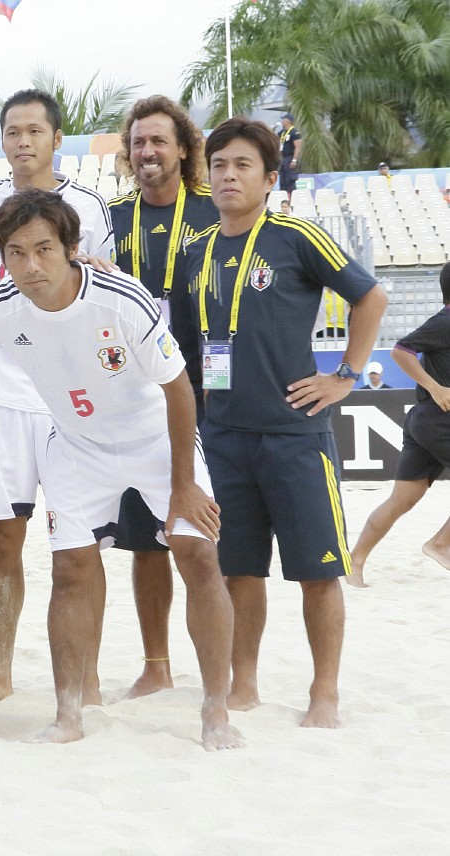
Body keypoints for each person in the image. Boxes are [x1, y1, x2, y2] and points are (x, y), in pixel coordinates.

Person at [0, 190, 240, 750]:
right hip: (78, 447)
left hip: (155, 440)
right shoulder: (3, 304)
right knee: (72, 572)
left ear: (72, 249)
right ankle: (68, 714)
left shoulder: (120, 298)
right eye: (15, 253)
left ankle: (216, 711)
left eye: (43, 249)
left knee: (198, 556)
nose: (30, 266)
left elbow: (178, 389)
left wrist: (183, 484)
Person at [170, 117, 387, 728]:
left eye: (242, 165)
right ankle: (244, 683)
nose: (228, 175)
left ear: (269, 178)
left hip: (295, 433)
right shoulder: (197, 252)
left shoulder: (295, 237)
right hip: (224, 437)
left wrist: (345, 375)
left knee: (317, 573)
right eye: (218, 165)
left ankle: (325, 693)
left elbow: (371, 297)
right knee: (240, 569)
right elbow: (186, 356)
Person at [0, 88, 115, 705]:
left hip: (71, 397)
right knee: (2, 539)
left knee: (80, 545)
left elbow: (110, 292)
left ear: (56, 138)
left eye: (34, 131)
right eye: (13, 131)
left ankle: (89, 678)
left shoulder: (91, 208)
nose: (23, 142)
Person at [106, 95, 221, 698]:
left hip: (209, 390)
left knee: (201, 539)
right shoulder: (112, 218)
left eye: (159, 141)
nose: (147, 152)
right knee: (143, 542)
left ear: (184, 148)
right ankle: (156, 665)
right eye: (138, 143)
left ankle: (225, 679)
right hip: (135, 395)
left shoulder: (215, 207)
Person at [347, 263, 450, 586]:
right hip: (438, 417)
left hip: (424, 419)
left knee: (402, 499)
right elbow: (401, 350)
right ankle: (441, 543)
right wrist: (434, 386)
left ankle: (355, 563)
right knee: (400, 500)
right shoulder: (446, 320)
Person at [278, 115, 301, 204]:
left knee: (290, 181)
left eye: (284, 119)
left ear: (288, 121)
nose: (282, 121)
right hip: (283, 158)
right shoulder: (282, 133)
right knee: (283, 181)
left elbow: (298, 146)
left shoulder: (294, 132)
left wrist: (294, 159)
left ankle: (292, 201)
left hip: (290, 158)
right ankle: (283, 201)